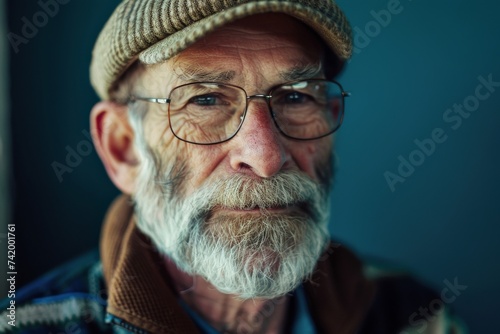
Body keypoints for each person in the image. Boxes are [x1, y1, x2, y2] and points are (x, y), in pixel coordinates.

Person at [0, 0, 465, 333]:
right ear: (123, 148)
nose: (265, 157)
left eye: (297, 96)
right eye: (204, 99)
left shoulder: (410, 315)